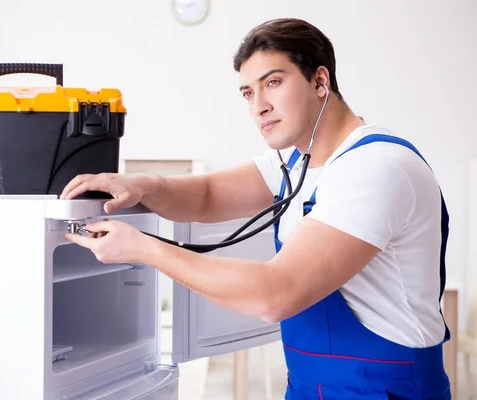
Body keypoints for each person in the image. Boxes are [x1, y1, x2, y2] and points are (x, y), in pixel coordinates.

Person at [61, 18, 451, 399]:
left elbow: (277, 294)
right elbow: (207, 195)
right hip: (308, 385)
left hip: (382, 388)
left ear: (320, 81)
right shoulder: (298, 162)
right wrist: (139, 184)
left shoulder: (375, 167)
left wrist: (143, 249)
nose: (258, 106)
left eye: (273, 83)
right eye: (248, 92)